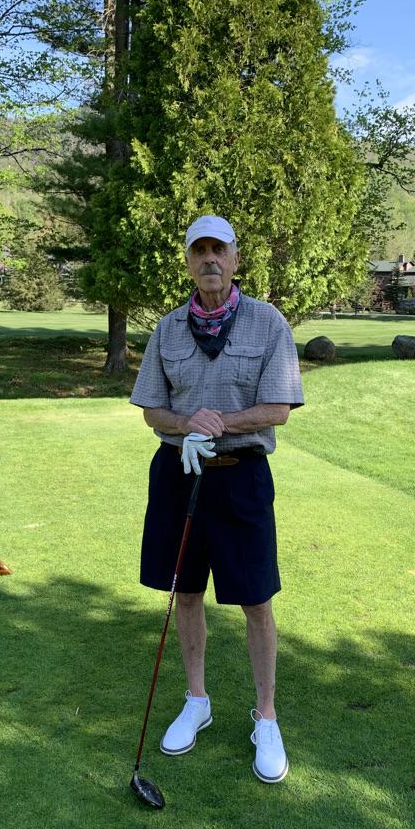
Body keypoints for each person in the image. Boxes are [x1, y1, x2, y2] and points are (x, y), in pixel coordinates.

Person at [129, 214, 304, 783]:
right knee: (185, 592)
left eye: (218, 249)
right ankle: (197, 700)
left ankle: (267, 716)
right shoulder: (168, 330)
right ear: (188, 260)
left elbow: (278, 408)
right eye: (198, 250)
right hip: (178, 473)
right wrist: (186, 424)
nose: (209, 259)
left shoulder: (267, 322)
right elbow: (152, 409)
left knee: (256, 599)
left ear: (234, 258)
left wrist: (216, 423)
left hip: (242, 476)